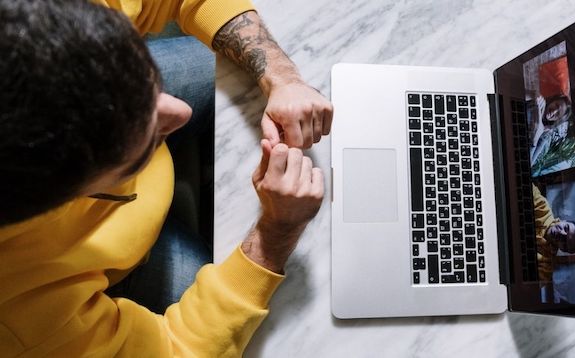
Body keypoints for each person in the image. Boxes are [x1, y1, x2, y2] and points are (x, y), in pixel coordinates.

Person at [0, 0, 330, 357]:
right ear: (70, 196)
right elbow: (176, 350)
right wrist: (275, 233)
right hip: (110, 268)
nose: (180, 110)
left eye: (147, 84)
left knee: (218, 59)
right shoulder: (21, 314)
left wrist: (281, 76)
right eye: (144, 146)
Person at [533, 185, 575, 284]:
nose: (561, 234)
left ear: (562, 249)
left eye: (565, 241)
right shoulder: (542, 207)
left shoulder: (546, 268)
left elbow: (525, 289)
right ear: (563, 220)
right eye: (565, 228)